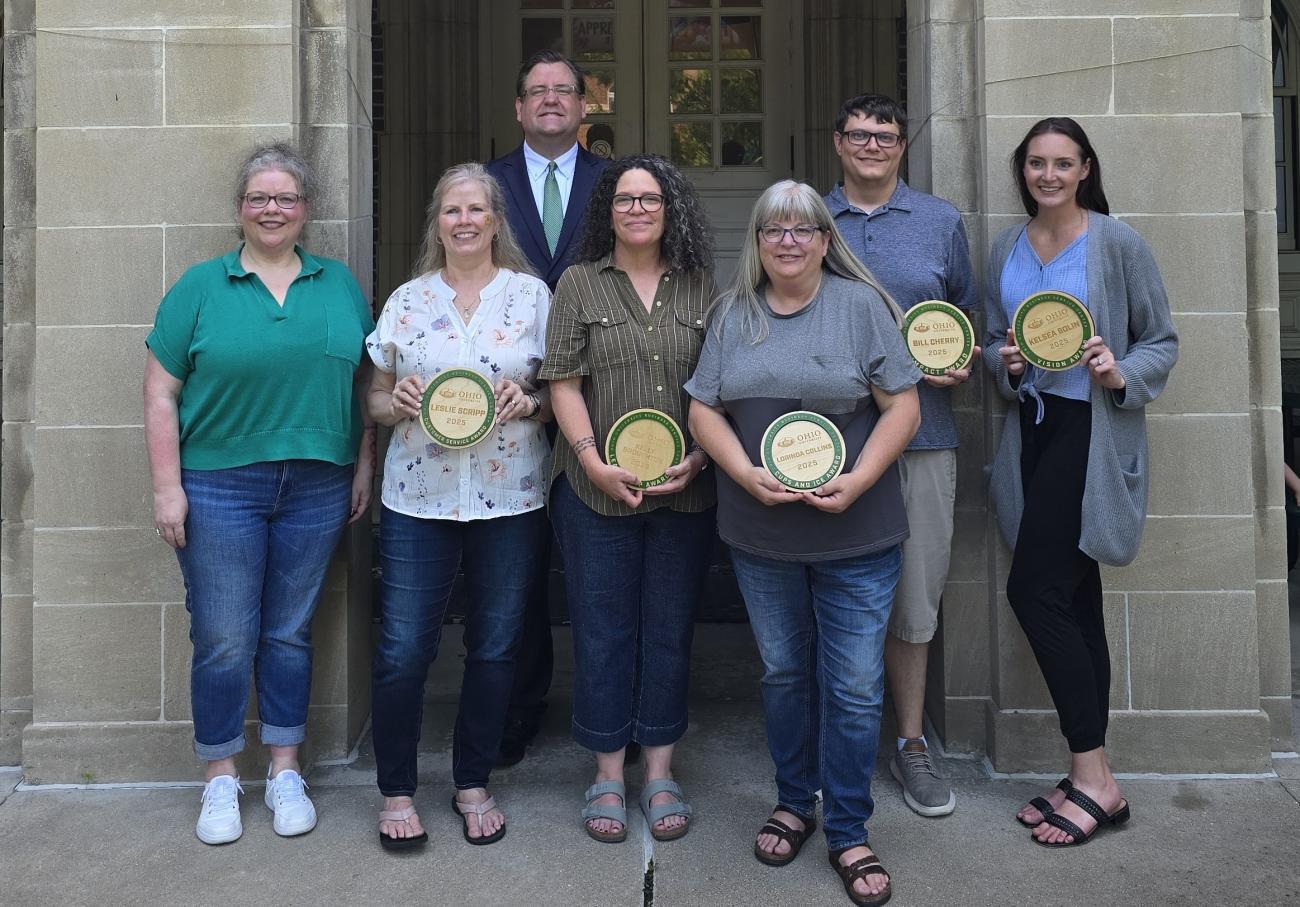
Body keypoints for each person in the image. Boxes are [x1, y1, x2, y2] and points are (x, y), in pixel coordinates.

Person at [687, 181, 921, 907]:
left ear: (826, 239)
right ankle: (795, 800)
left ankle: (849, 828)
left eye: (803, 229)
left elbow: (903, 405)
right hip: (763, 532)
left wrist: (859, 478)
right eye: (773, 230)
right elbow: (703, 408)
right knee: (785, 674)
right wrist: (744, 473)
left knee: (852, 686)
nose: (788, 241)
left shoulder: (862, 308)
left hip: (858, 529)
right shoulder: (733, 314)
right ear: (756, 243)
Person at [143, 142, 375, 845]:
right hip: (219, 483)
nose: (272, 208)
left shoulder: (338, 284)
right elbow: (160, 392)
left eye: (285, 197)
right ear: (240, 208)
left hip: (319, 480)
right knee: (222, 636)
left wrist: (361, 463)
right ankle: (220, 777)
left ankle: (284, 767)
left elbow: (366, 387)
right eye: (258, 197)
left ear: (306, 209)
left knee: (288, 630)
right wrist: (167, 488)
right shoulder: (200, 287)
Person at [983, 117, 1177, 847]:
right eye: (1036, 163)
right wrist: (1004, 365)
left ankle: (1094, 775)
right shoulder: (1006, 243)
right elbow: (1001, 340)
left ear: (1086, 168)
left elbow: (1163, 338)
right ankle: (1092, 777)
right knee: (1072, 594)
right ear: (1023, 170)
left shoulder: (1116, 242)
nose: (1049, 175)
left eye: (1063, 163)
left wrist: (1118, 370)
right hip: (1031, 430)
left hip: (1089, 435)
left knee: (1031, 591)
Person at [364, 163, 553, 850]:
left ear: (497, 221)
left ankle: (473, 781)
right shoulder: (408, 301)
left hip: (510, 497)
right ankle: (396, 790)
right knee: (403, 648)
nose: (465, 220)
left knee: (496, 645)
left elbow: (560, 389)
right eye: (452, 210)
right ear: (437, 222)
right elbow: (375, 397)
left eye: (477, 209)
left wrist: (530, 401)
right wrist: (396, 402)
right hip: (420, 496)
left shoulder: (532, 297)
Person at [541, 153, 715, 844]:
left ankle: (660, 771)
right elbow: (563, 381)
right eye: (624, 199)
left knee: (669, 630)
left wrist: (702, 457)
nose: (637, 209)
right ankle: (608, 771)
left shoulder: (702, 286)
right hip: (593, 490)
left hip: (686, 490)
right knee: (603, 630)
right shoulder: (578, 284)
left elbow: (719, 385)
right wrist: (591, 460)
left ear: (670, 209)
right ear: (605, 211)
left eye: (650, 198)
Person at [824, 93, 977, 818]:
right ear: (838, 143)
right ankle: (833, 743)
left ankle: (911, 742)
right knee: (831, 599)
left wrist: (960, 361)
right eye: (859, 134)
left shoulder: (942, 222)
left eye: (885, 134)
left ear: (902, 145)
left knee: (915, 602)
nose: (873, 145)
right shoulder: (809, 220)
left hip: (924, 440)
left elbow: (962, 321)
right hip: (827, 445)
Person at [487, 50, 608, 766]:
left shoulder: (612, 182)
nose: (553, 101)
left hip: (598, 391)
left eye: (566, 91)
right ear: (519, 108)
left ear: (583, 107)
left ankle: (604, 714)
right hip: (510, 399)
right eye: (539, 91)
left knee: (599, 567)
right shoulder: (488, 183)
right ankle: (517, 711)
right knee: (517, 569)